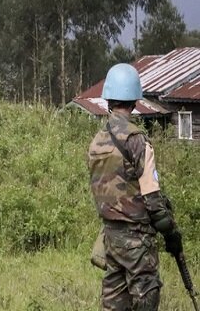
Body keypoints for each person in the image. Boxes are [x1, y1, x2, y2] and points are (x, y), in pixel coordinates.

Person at [88, 63, 183, 310]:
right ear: (135, 101)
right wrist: (171, 234)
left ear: (109, 99)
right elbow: (153, 201)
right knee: (146, 296)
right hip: (137, 241)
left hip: (110, 238)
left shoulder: (97, 141)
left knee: (114, 304)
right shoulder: (137, 140)